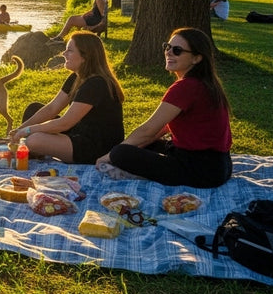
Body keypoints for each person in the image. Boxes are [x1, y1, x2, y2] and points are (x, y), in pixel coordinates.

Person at [96, 28, 232, 187]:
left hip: (200, 170)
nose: (169, 52)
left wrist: (110, 156)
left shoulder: (187, 87)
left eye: (177, 50)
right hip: (218, 165)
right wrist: (139, 143)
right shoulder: (203, 83)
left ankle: (133, 171)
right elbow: (162, 128)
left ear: (196, 58)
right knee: (140, 144)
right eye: (167, 47)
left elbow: (147, 130)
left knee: (120, 152)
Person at [4, 31, 125, 164]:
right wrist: (19, 130)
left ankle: (33, 148)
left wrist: (28, 130)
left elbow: (65, 123)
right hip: (79, 131)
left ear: (85, 57)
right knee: (33, 110)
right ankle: (32, 148)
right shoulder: (77, 77)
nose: (64, 54)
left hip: (96, 146)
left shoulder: (96, 84)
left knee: (34, 139)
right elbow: (52, 108)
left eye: (70, 51)